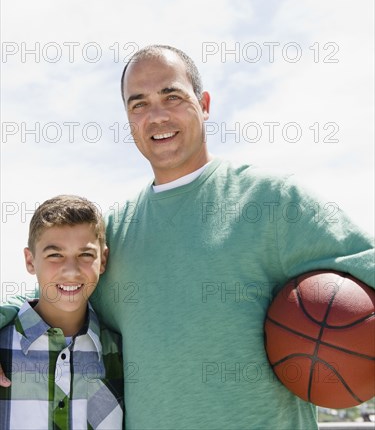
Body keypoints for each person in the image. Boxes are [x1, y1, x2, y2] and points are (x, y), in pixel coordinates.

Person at [1, 45, 374, 430]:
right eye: (139, 104)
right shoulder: (116, 230)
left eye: (172, 96)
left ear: (205, 103)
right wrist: (4, 312)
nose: (156, 115)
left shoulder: (273, 201)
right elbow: (61, 291)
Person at [0, 195, 124, 430]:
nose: (70, 271)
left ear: (103, 259)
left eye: (85, 255)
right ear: (30, 260)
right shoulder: (2, 345)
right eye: (55, 255)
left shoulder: (119, 353)